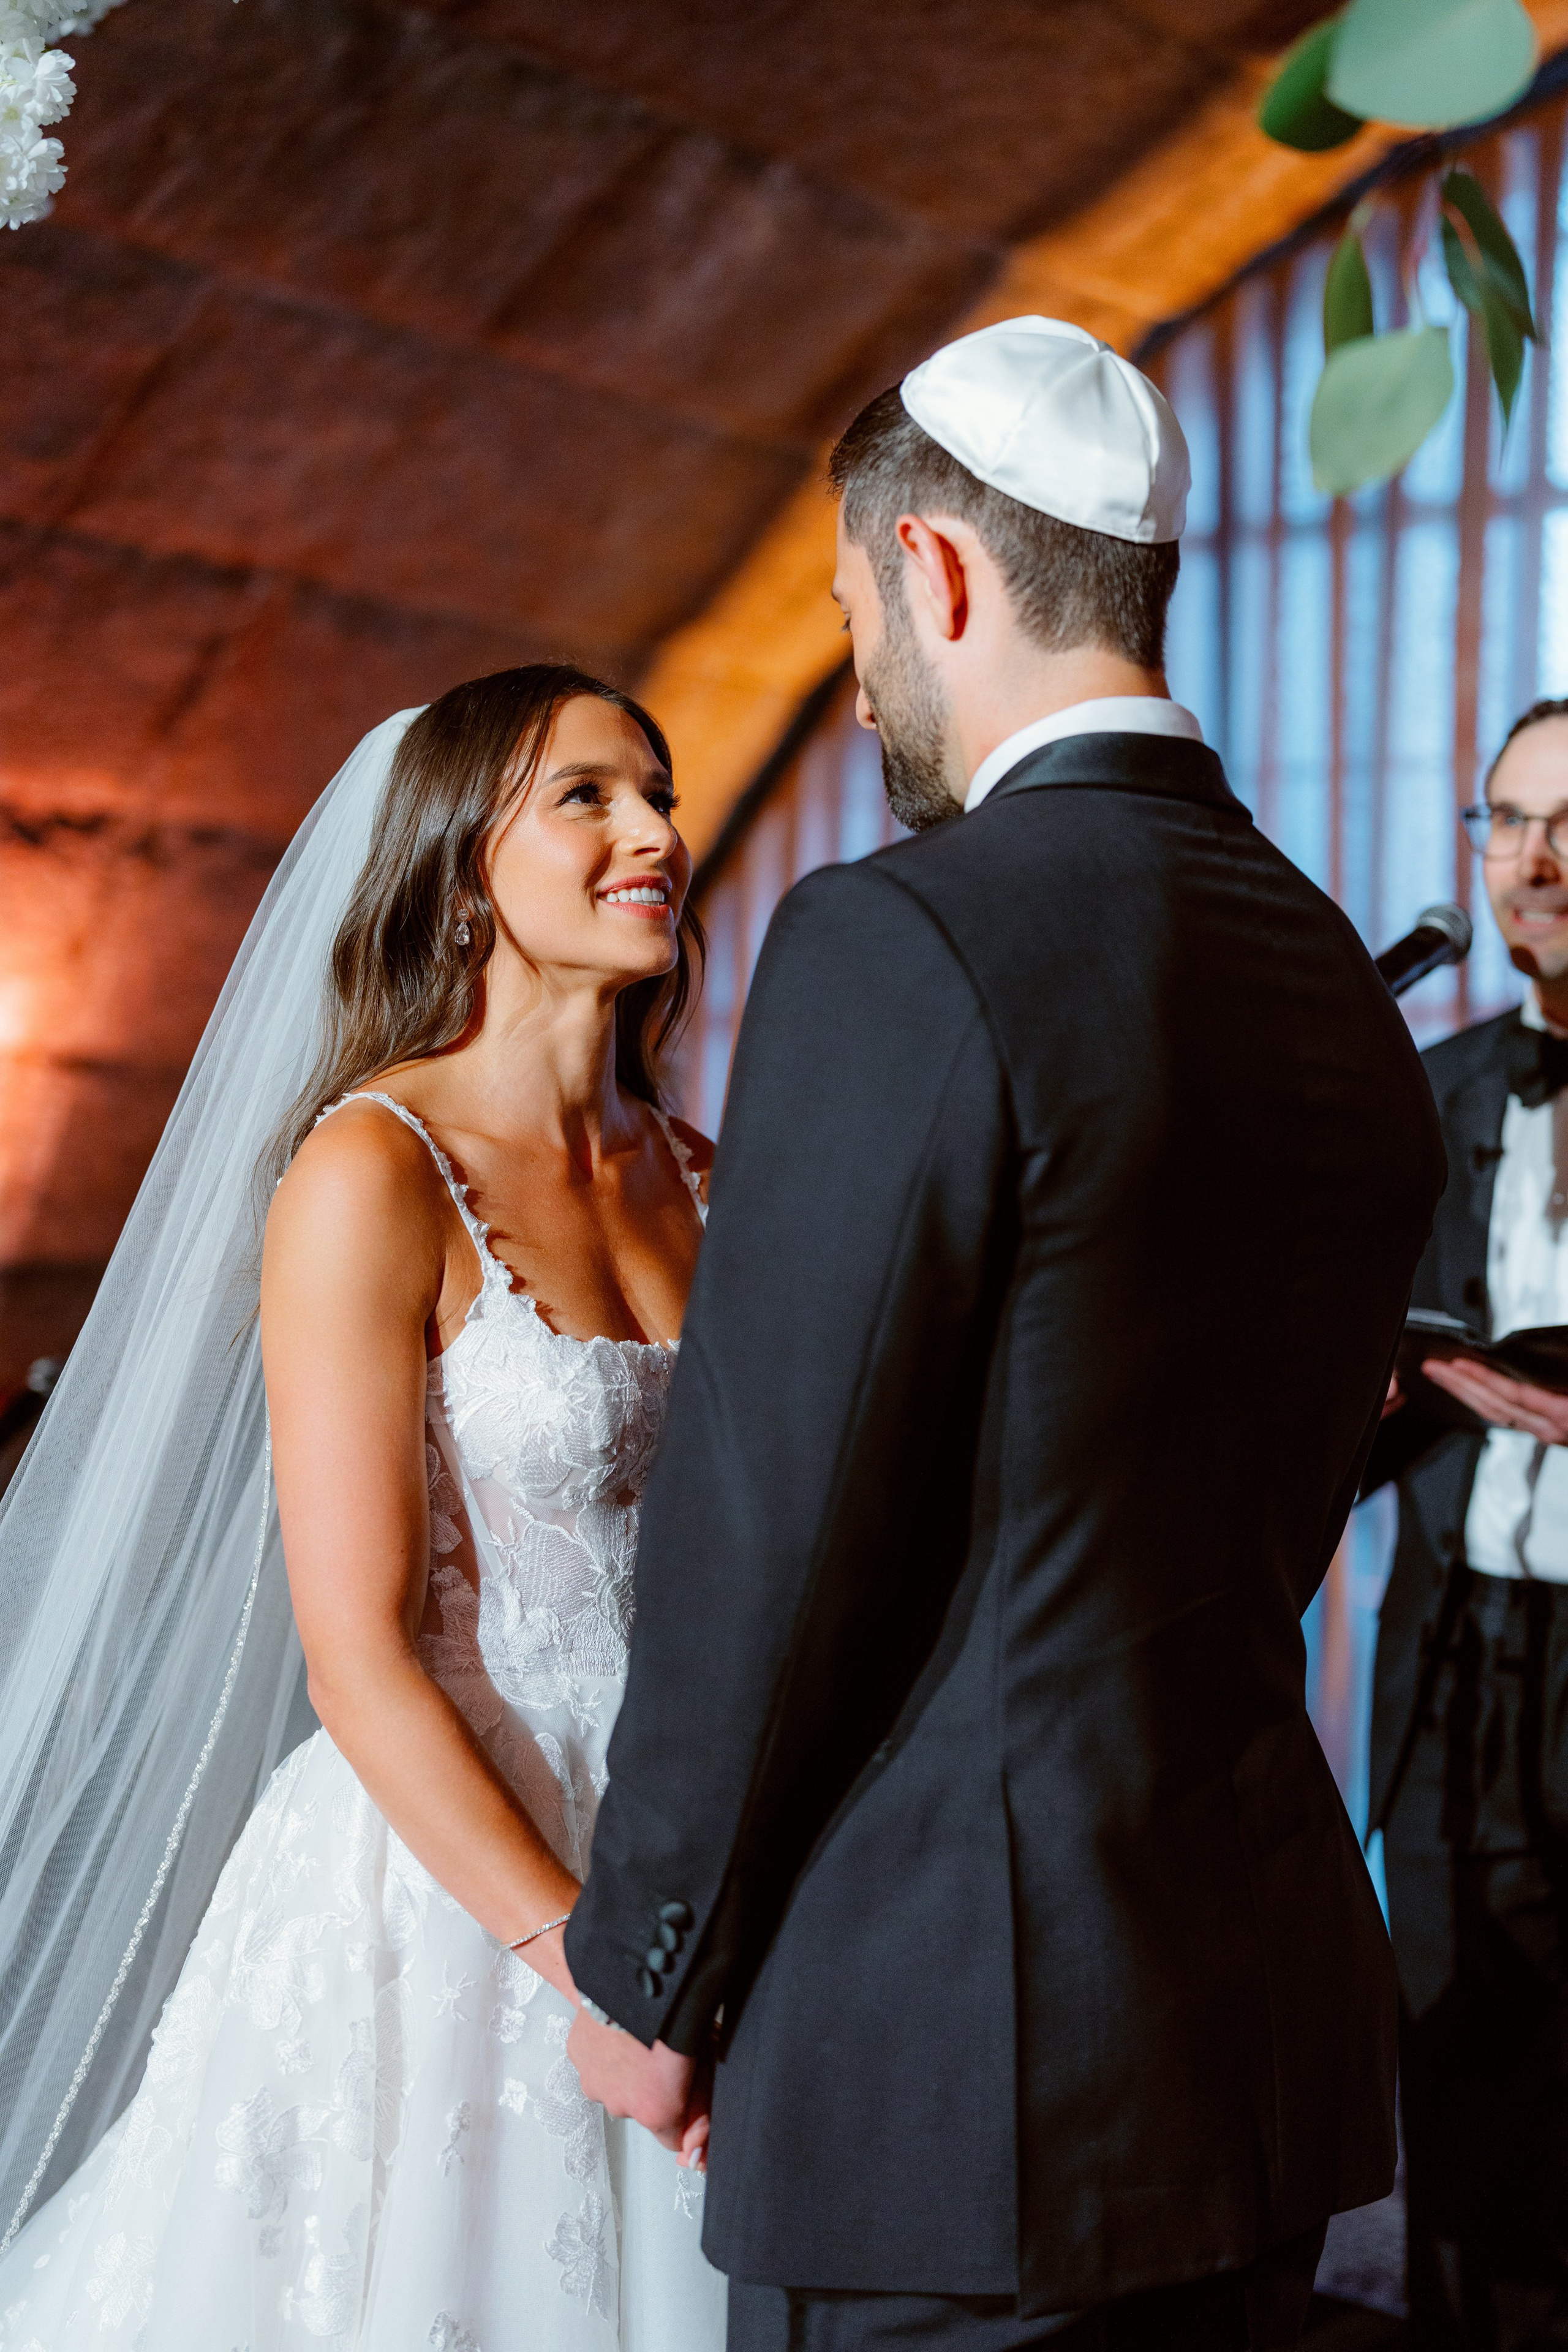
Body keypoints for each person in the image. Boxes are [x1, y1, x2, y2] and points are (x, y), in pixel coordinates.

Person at [562, 314, 1447, 2351]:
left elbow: (772, 1516)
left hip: (952, 2049)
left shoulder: (907, 937)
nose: (865, 665)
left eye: (857, 606)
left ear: (934, 574)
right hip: (1249, 2026)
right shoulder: (1329, 969)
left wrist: (653, 1973)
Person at [0, 665, 728, 2350]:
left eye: (661, 792)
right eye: (590, 798)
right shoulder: (370, 1172)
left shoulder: (709, 1170)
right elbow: (361, 1658)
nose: (657, 835)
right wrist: (586, 1959)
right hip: (454, 1885)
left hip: (695, 1837)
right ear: (462, 860)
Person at [1364, 696, 1568, 2351]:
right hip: (1453, 1655)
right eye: (1508, 821)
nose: (1539, 859)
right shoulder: (1419, 1093)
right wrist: (1402, 1377)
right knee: (1458, 2077)